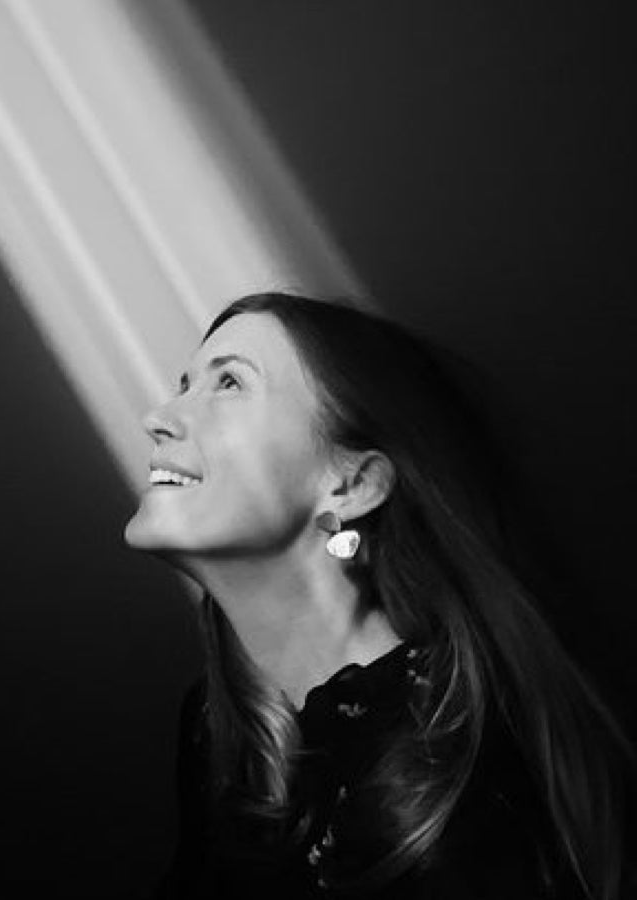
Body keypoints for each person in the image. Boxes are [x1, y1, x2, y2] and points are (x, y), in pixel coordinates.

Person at [124, 293, 634, 899]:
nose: (160, 416)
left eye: (229, 382)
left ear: (352, 485)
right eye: (185, 384)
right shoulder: (218, 726)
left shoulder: (453, 773)